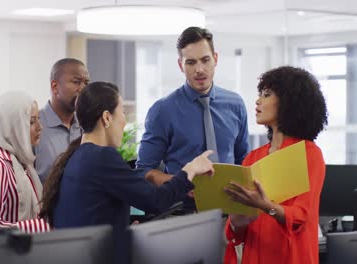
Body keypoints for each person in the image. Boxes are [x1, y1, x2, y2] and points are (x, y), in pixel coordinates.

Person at [39, 81, 214, 263]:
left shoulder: (76, 156)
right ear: (107, 118)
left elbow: (93, 213)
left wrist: (123, 226)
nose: (124, 120)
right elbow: (156, 200)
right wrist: (190, 170)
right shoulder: (102, 157)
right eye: (122, 111)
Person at [136, 27, 249, 213]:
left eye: (205, 60)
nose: (199, 69)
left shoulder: (235, 104)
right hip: (183, 210)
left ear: (215, 58)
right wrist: (182, 183)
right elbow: (144, 171)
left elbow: (243, 160)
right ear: (181, 65)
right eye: (191, 62)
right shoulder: (162, 111)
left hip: (231, 209)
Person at [223, 66, 328, 264]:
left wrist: (265, 206)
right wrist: (237, 220)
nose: (258, 100)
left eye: (267, 94)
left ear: (288, 102)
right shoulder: (252, 158)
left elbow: (300, 217)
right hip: (255, 255)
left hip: (291, 256)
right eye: (260, 94)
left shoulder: (309, 154)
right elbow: (238, 232)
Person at [0, 91, 50, 238]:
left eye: (38, 119)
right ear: (12, 126)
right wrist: (41, 226)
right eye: (31, 121)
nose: (40, 127)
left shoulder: (23, 162)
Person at [35, 58, 90, 182]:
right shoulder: (34, 126)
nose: (83, 89)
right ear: (55, 87)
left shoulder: (87, 127)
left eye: (86, 83)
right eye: (76, 82)